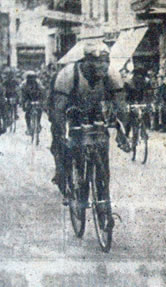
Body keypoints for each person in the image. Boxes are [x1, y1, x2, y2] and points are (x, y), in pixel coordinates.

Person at [48, 42, 126, 217]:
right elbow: (58, 110)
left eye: (106, 62)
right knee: (67, 147)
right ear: (86, 61)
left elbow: (121, 106)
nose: (102, 66)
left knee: (102, 154)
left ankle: (103, 196)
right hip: (70, 110)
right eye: (97, 62)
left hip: (95, 111)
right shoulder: (68, 75)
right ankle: (66, 177)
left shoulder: (111, 74)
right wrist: (61, 134)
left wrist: (122, 131)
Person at [20, 71, 45, 136]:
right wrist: (23, 104)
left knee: (39, 110)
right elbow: (22, 95)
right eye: (30, 78)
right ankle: (28, 127)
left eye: (33, 78)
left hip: (37, 97)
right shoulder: (24, 84)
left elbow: (42, 92)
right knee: (28, 113)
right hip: (28, 98)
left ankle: (38, 123)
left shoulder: (38, 83)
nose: (31, 79)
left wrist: (42, 101)